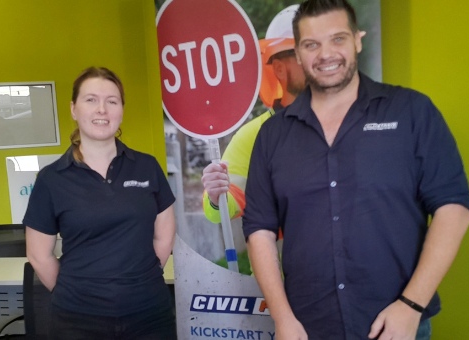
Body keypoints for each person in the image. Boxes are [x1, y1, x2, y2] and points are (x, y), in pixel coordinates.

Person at [241, 1, 469, 339]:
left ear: (357, 40)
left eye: (337, 39)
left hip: (395, 326)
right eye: (311, 44)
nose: (326, 54)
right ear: (299, 52)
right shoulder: (273, 135)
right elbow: (259, 230)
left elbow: (453, 208)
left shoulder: (411, 112)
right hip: (307, 329)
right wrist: (282, 319)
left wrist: (411, 306)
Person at [23, 66, 176, 339]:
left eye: (112, 101)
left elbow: (164, 235)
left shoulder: (147, 167)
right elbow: (38, 254)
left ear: (121, 110)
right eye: (91, 100)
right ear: (74, 109)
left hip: (149, 313)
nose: (101, 110)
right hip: (77, 320)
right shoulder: (51, 179)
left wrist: (140, 280)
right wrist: (77, 293)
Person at [201, 4, 307, 273]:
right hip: (299, 286)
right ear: (276, 66)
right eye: (299, 52)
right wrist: (215, 194)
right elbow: (220, 209)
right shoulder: (256, 134)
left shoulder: (360, 121)